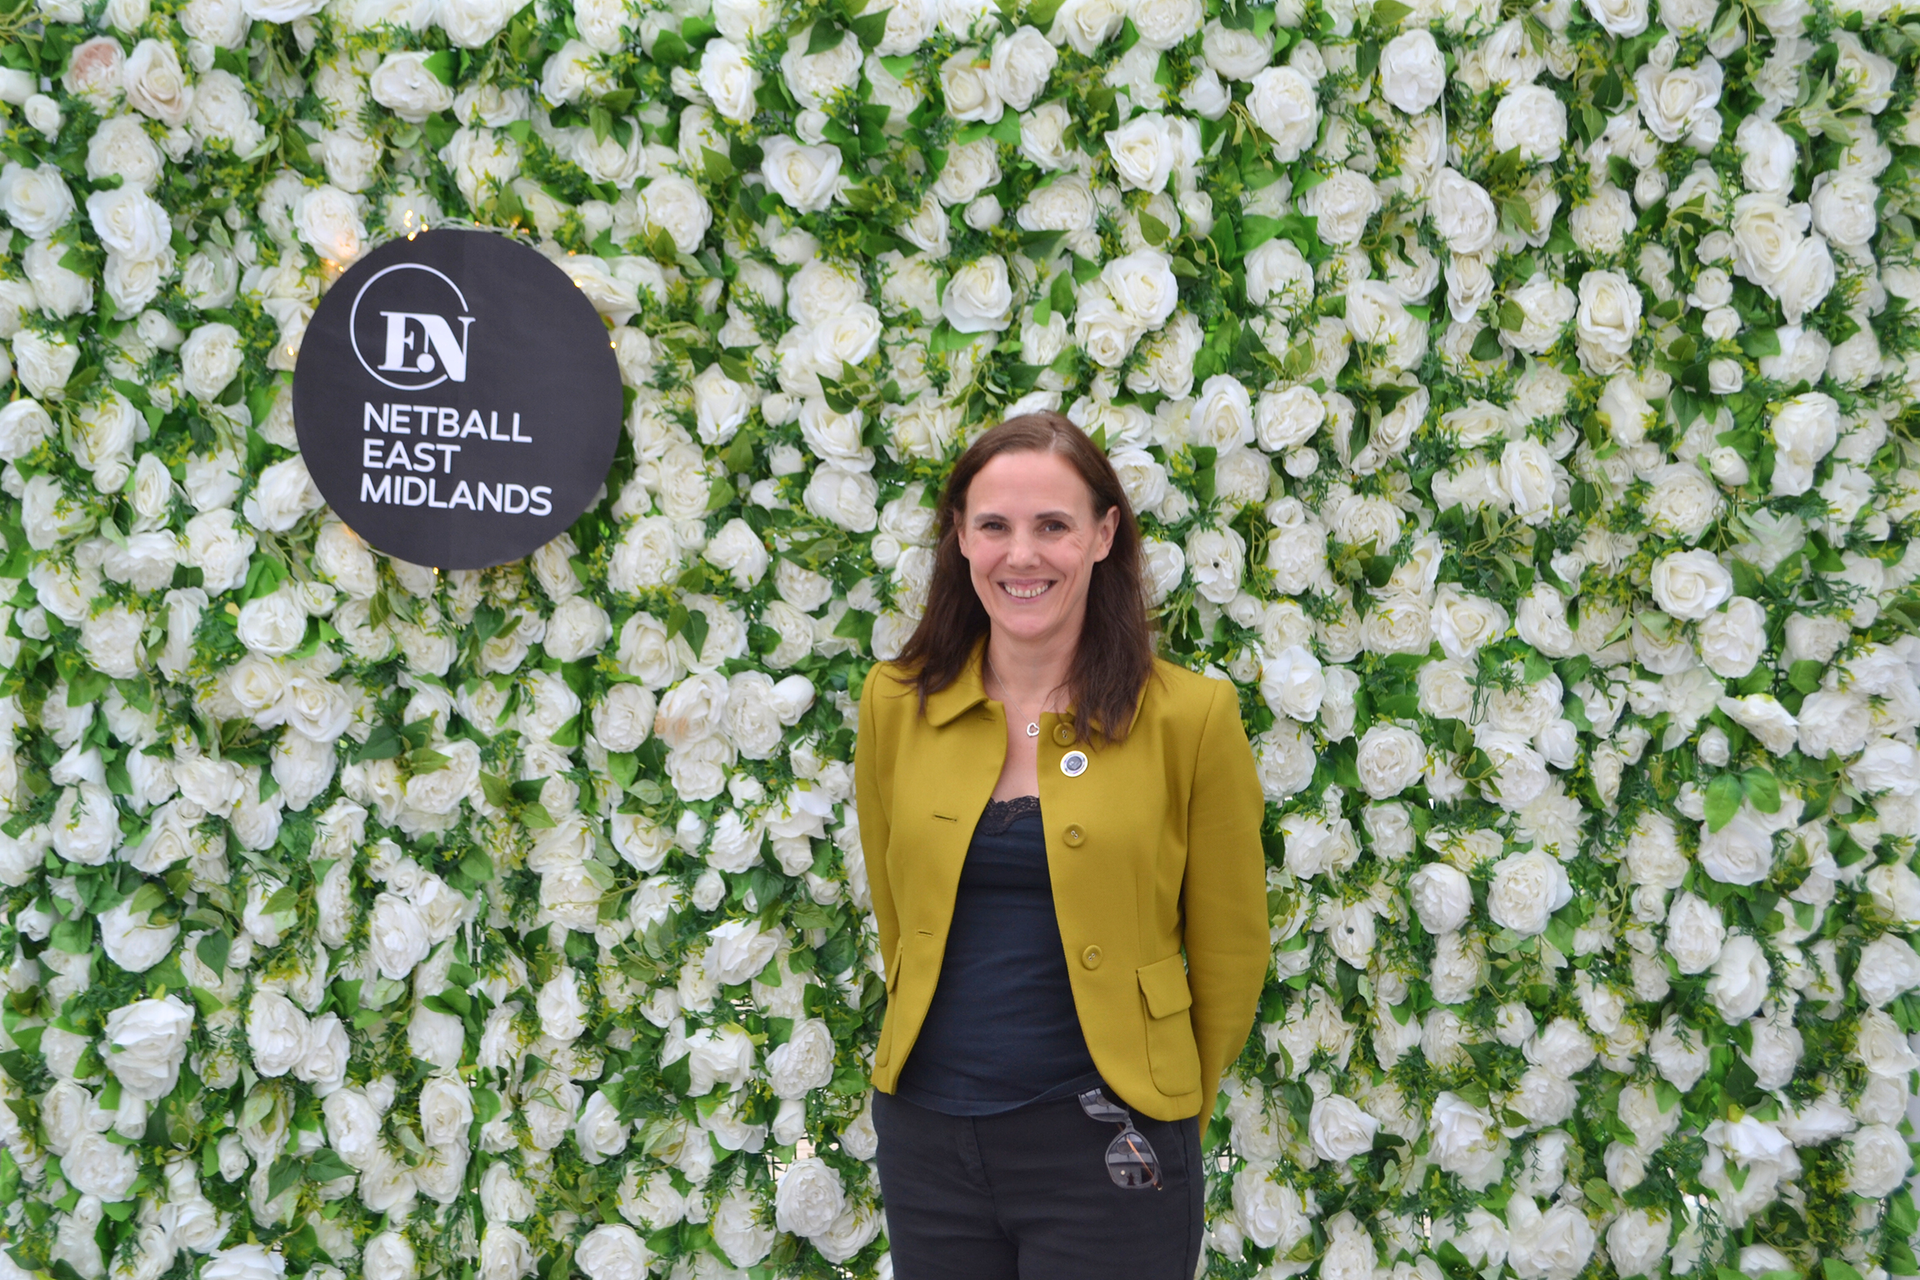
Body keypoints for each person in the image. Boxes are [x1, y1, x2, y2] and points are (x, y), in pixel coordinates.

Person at [853, 412, 1270, 1279]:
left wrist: (1161, 1103)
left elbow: (1231, 953)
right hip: (928, 1141)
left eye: (1054, 525)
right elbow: (900, 920)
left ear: (1104, 534)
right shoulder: (895, 703)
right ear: (960, 537)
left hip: (1110, 1146)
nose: (1022, 556)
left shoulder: (1191, 719)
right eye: (995, 526)